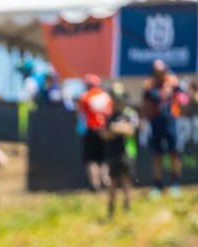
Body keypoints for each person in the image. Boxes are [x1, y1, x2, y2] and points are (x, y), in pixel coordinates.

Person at [142, 59, 187, 198]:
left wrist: (182, 103)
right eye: (157, 72)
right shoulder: (149, 85)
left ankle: (176, 184)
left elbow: (183, 99)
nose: (160, 75)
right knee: (157, 154)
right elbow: (145, 103)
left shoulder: (173, 82)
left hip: (171, 121)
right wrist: (145, 119)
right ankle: (157, 185)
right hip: (156, 122)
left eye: (162, 71)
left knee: (174, 152)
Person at [103, 84, 139, 218]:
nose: (117, 101)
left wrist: (116, 128)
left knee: (126, 180)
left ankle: (127, 208)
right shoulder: (108, 114)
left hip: (127, 153)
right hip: (112, 153)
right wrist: (117, 129)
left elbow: (131, 130)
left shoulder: (129, 113)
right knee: (112, 181)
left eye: (119, 98)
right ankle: (111, 210)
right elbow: (104, 134)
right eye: (114, 98)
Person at [78, 74, 112, 192]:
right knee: (104, 158)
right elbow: (109, 112)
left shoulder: (85, 96)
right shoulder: (106, 96)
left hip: (91, 130)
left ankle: (95, 184)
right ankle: (106, 180)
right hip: (104, 130)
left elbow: (81, 114)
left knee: (92, 159)